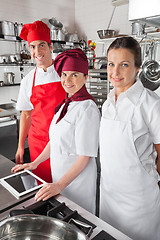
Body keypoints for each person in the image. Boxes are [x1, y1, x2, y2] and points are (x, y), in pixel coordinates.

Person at [12, 48, 100, 214]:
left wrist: (59, 184)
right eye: (64, 74)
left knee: (79, 221)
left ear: (85, 77)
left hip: (78, 184)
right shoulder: (66, 105)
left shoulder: (87, 108)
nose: (67, 80)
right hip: (60, 182)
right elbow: (55, 141)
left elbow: (85, 158)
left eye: (74, 74)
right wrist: (34, 163)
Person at [99, 36, 160, 240]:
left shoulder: (150, 104)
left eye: (124, 65)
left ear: (137, 68)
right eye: (111, 64)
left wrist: (156, 184)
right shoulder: (107, 103)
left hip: (139, 202)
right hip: (108, 196)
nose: (115, 72)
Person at [15, 20, 66, 183]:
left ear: (50, 47)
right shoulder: (28, 80)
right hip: (38, 143)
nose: (37, 51)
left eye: (42, 45)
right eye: (32, 46)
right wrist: (21, 145)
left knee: (65, 184)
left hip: (63, 140)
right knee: (43, 185)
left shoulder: (65, 74)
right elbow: (26, 115)